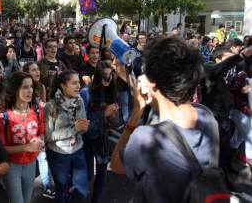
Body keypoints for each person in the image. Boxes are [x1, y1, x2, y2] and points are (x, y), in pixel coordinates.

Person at [110, 37, 218, 202]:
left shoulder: (145, 138)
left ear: (153, 84)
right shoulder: (207, 116)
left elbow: (116, 165)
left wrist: (136, 114)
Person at [200, 46, 252, 194]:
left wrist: (238, 91)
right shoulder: (209, 69)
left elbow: (227, 91)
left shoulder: (224, 75)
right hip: (213, 117)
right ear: (218, 60)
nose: (232, 63)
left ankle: (223, 180)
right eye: (229, 58)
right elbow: (221, 67)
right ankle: (213, 183)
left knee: (223, 151)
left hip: (224, 116)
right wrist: (241, 55)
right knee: (213, 153)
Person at [0, 72, 45, 203]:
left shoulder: (37, 109)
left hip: (31, 164)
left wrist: (40, 142)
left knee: (27, 200)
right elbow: (1, 149)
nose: (30, 91)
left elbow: (41, 132)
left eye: (31, 86)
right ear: (15, 90)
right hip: (11, 166)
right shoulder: (3, 117)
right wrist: (26, 147)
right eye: (25, 87)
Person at [44, 69, 89, 203]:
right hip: (58, 154)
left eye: (79, 83)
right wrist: (74, 128)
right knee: (61, 192)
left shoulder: (79, 100)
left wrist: (84, 127)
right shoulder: (51, 106)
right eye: (74, 83)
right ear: (63, 86)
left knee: (82, 191)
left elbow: (83, 129)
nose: (78, 86)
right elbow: (48, 136)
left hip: (78, 150)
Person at [80, 62, 118, 203]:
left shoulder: (110, 92)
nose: (107, 78)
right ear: (97, 75)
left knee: (102, 175)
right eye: (104, 74)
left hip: (102, 140)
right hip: (87, 141)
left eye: (110, 74)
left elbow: (113, 122)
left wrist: (112, 116)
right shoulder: (85, 93)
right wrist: (103, 114)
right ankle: (71, 189)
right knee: (88, 176)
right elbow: (82, 122)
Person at [22, 61, 55, 198]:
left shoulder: (41, 86)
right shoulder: (21, 87)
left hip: (38, 127)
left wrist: (44, 106)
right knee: (25, 159)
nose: (37, 72)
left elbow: (44, 107)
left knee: (42, 157)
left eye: (37, 70)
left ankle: (46, 185)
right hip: (25, 127)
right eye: (33, 70)